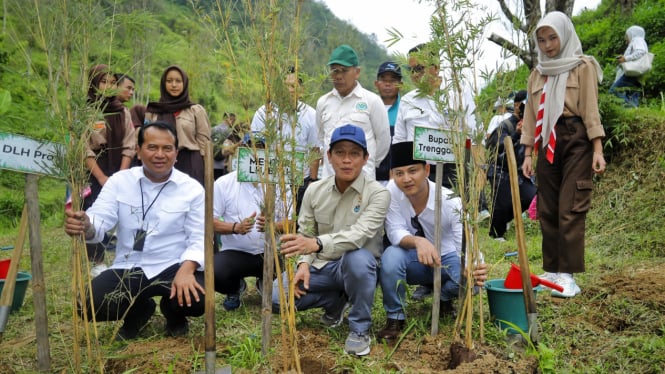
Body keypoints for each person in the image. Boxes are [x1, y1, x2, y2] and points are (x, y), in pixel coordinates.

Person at [64, 121, 206, 340]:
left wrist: (187, 270)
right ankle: (139, 310)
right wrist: (86, 224)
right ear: (138, 151)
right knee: (88, 304)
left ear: (176, 154)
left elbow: (198, 237)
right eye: (152, 147)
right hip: (129, 264)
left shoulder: (192, 189)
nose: (160, 154)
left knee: (198, 299)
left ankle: (174, 313)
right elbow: (99, 218)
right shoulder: (120, 182)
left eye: (167, 148)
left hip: (173, 265)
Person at [271, 124, 390, 356]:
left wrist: (317, 243)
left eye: (354, 154)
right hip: (321, 267)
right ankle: (335, 302)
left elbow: (360, 234)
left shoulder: (378, 193)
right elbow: (305, 232)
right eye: (340, 153)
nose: (347, 160)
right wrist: (304, 264)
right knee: (277, 297)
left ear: (365, 158)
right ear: (328, 157)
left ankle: (359, 328)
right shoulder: (314, 190)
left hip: (358, 268)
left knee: (358, 258)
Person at [521, 11, 606, 298]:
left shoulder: (582, 67)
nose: (547, 45)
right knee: (547, 207)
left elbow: (591, 110)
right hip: (546, 140)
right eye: (542, 39)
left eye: (552, 37)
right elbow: (532, 116)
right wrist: (528, 152)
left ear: (565, 35)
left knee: (570, 205)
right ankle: (552, 269)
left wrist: (597, 149)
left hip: (575, 138)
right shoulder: (537, 73)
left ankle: (568, 275)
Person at [377, 141, 488, 341]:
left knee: (473, 281)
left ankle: (444, 298)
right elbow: (394, 230)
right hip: (414, 260)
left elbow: (465, 241)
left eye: (413, 171)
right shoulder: (391, 192)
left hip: (446, 260)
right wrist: (419, 242)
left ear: (427, 169)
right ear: (392, 174)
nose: (406, 179)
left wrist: (472, 264)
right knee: (390, 257)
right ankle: (395, 316)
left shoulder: (450, 201)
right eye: (399, 173)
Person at [213, 133, 290, 311]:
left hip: (271, 251)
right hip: (236, 253)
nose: (256, 156)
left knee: (287, 267)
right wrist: (235, 227)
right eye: (250, 150)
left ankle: (266, 282)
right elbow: (210, 221)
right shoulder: (224, 183)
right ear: (241, 153)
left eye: (261, 151)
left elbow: (292, 222)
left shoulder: (280, 183)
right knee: (217, 271)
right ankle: (234, 288)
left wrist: (273, 226)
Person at [393, 43, 478, 189]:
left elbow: (473, 134)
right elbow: (399, 140)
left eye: (419, 69)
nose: (414, 75)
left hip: (454, 172)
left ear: (436, 67)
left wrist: (474, 174)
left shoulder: (458, 94)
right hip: (417, 173)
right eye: (411, 70)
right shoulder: (407, 100)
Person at [84, 64, 136, 277]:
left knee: (125, 212)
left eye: (113, 82)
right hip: (95, 167)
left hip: (119, 166)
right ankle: (96, 260)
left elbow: (129, 144)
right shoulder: (86, 110)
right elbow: (84, 148)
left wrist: (120, 176)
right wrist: (102, 177)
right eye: (104, 82)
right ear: (94, 83)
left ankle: (125, 259)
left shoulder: (122, 111)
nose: (109, 87)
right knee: (94, 212)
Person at [316, 45, 391, 181]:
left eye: (343, 71)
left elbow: (383, 141)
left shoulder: (372, 101)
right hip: (329, 182)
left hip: (363, 183)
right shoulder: (323, 102)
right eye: (334, 71)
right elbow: (322, 139)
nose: (338, 76)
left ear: (357, 72)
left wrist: (367, 163)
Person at [251, 67, 319, 213]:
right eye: (285, 86)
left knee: (296, 225)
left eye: (293, 86)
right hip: (269, 179)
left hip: (299, 183)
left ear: (301, 89)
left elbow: (314, 150)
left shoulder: (311, 115)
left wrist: (312, 182)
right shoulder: (264, 113)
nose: (289, 90)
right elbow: (255, 146)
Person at [144, 65, 211, 184]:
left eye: (178, 81)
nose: (174, 85)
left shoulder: (195, 110)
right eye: (169, 81)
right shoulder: (153, 111)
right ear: (163, 84)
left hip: (190, 163)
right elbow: (145, 140)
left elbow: (204, 146)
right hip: (160, 161)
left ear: (184, 83)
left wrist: (208, 175)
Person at [486, 90, 537, 241]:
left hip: (519, 171)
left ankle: (504, 219)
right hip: (500, 170)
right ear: (516, 106)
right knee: (503, 202)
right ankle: (496, 234)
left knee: (531, 195)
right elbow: (497, 149)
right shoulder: (506, 125)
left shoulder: (530, 124)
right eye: (524, 106)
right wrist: (516, 134)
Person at [373, 61, 402, 185]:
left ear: (401, 84)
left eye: (393, 80)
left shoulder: (407, 108)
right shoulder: (368, 107)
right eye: (383, 80)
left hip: (398, 180)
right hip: (370, 176)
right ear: (376, 84)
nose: (388, 84)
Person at [609, 25, 649, 108]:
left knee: (614, 90)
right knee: (632, 95)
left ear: (632, 33)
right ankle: (634, 112)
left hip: (631, 73)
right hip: (637, 73)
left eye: (627, 35)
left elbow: (640, 52)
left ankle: (630, 108)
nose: (626, 38)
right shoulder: (641, 41)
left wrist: (625, 58)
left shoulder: (637, 40)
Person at [212, 112, 237, 180]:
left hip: (212, 164)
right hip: (224, 165)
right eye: (234, 121)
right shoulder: (230, 132)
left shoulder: (213, 129)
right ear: (230, 120)